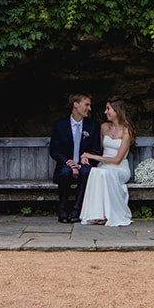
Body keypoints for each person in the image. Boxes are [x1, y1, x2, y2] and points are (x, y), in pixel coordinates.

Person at [79, 100, 134, 226]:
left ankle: (110, 214)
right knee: (96, 172)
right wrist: (86, 158)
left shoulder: (127, 131)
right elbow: (98, 149)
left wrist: (92, 156)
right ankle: (97, 214)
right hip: (104, 166)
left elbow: (117, 159)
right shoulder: (104, 127)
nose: (105, 112)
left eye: (108, 109)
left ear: (117, 110)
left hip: (120, 168)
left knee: (103, 173)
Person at [49, 92, 101, 223]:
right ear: (76, 105)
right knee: (65, 172)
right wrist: (68, 162)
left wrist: (85, 160)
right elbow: (54, 150)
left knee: (86, 171)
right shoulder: (60, 125)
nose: (89, 108)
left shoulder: (93, 126)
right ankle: (62, 210)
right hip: (65, 165)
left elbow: (96, 150)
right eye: (86, 104)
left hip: (84, 164)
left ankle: (76, 210)